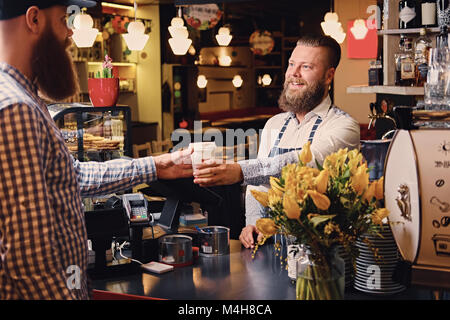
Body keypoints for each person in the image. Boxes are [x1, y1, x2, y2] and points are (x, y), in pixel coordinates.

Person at [0, 1, 192, 299]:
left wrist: (156, 165)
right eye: (64, 20)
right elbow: (31, 258)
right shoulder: (17, 108)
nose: (69, 33)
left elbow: (70, 178)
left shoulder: (23, 98)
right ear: (34, 19)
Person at [193, 34, 360, 249]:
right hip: (271, 247)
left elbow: (302, 163)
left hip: (320, 250)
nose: (293, 74)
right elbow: (260, 187)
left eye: (306, 67)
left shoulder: (343, 126)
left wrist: (240, 171)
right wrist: (253, 224)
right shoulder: (275, 124)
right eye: (291, 64)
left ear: (329, 76)